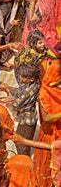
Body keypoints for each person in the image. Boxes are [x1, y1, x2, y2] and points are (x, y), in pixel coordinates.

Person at [0, 64, 40, 156]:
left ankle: (23, 162)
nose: (21, 78)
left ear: (31, 79)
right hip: (31, 117)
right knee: (25, 142)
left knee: (21, 143)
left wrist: (7, 100)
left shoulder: (27, 91)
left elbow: (17, 103)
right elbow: (19, 92)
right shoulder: (34, 85)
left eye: (24, 77)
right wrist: (9, 89)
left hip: (25, 120)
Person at [32, 59, 61, 187]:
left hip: (59, 134)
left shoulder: (58, 90)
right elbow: (47, 118)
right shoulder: (44, 92)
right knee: (48, 170)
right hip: (49, 135)